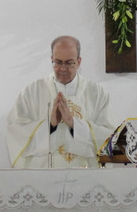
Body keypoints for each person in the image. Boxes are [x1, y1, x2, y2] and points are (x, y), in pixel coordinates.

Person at [7, 36, 115, 168]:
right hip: (43, 172)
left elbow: (109, 138)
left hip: (85, 174)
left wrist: (74, 124)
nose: (63, 68)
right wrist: (50, 125)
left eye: (69, 63)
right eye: (58, 62)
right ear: (51, 59)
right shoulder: (31, 92)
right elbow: (16, 132)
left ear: (79, 62)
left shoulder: (97, 93)